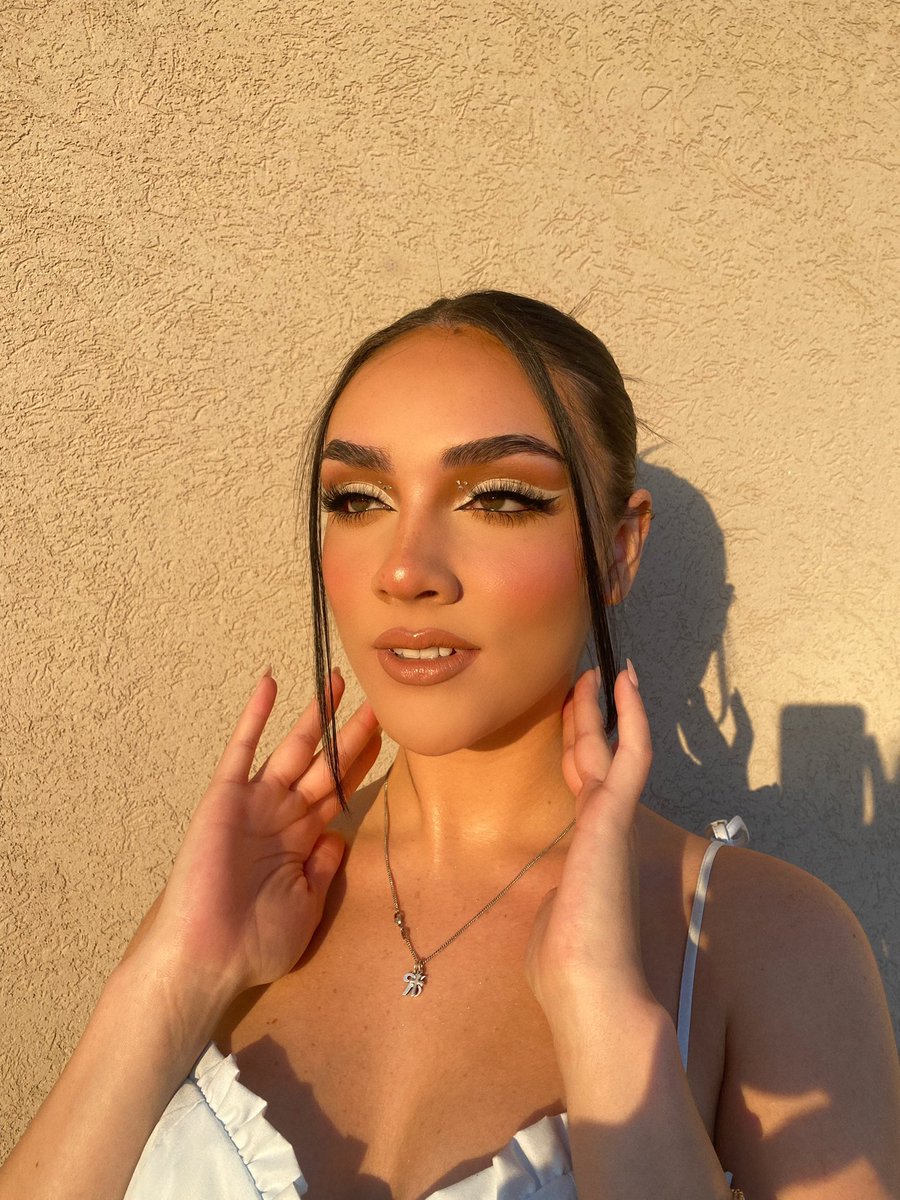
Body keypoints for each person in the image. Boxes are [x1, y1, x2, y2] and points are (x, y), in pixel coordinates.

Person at [2, 291, 898, 1200]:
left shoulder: (766, 942)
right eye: (357, 499)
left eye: (499, 498)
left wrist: (601, 1017)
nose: (403, 570)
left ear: (620, 549)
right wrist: (169, 980)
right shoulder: (237, 896)